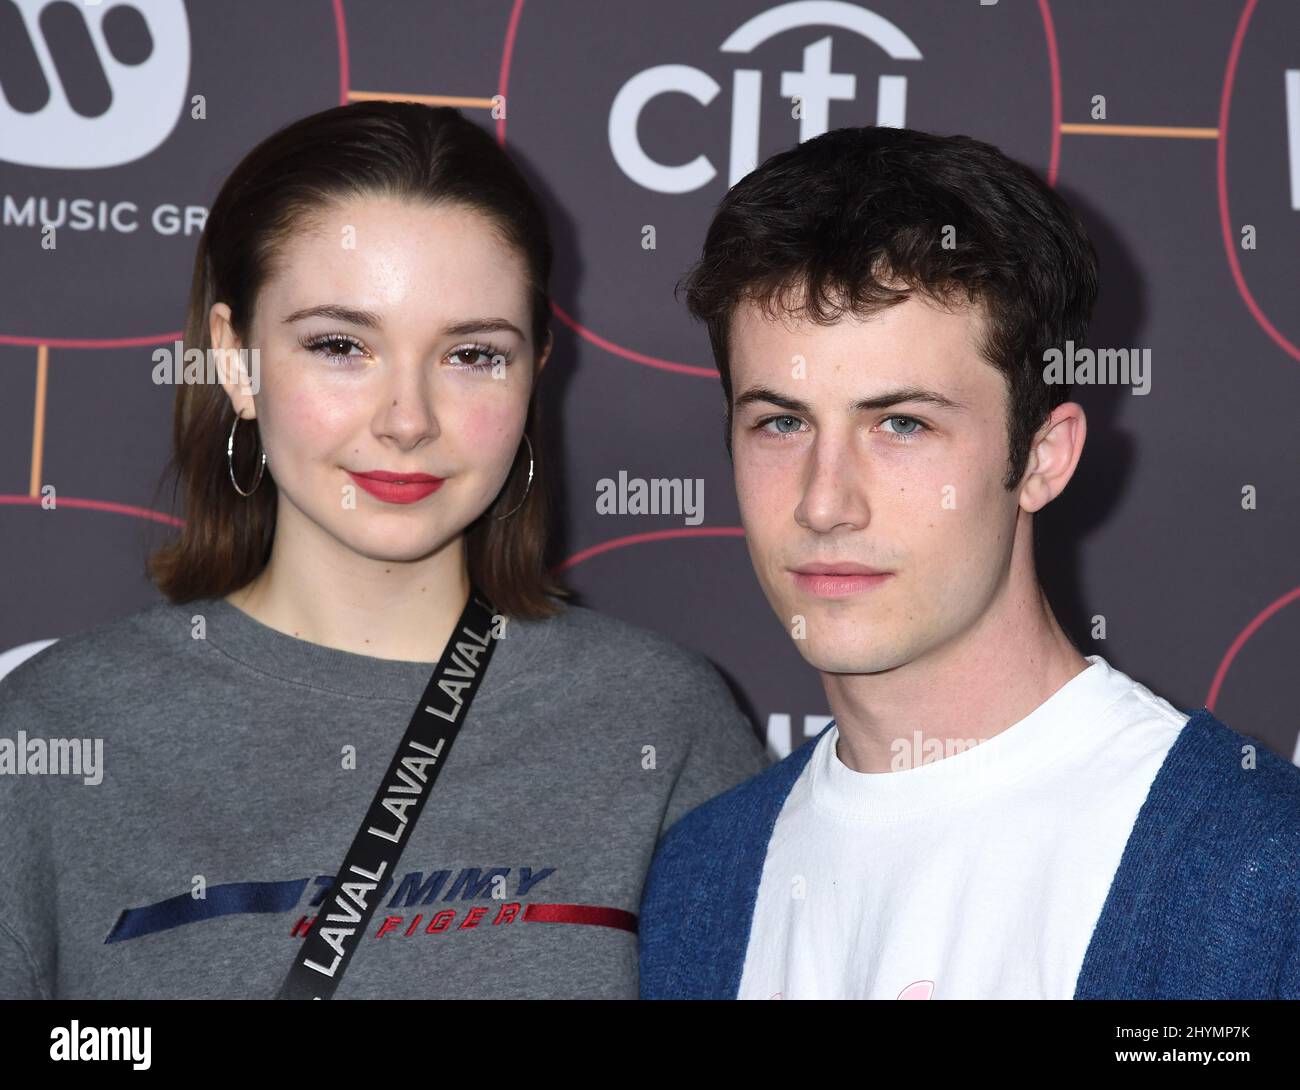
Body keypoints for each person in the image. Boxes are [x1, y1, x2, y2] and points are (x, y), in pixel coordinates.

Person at [0, 102, 768, 1000]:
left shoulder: (662, 720)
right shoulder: (57, 730)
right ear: (236, 360)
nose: (408, 420)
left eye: (472, 355)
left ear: (534, 373)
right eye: (340, 346)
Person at [638, 125, 1300, 1000]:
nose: (824, 502)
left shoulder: (1255, 874)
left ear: (1041, 458)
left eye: (902, 424)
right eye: (782, 423)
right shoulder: (699, 881)